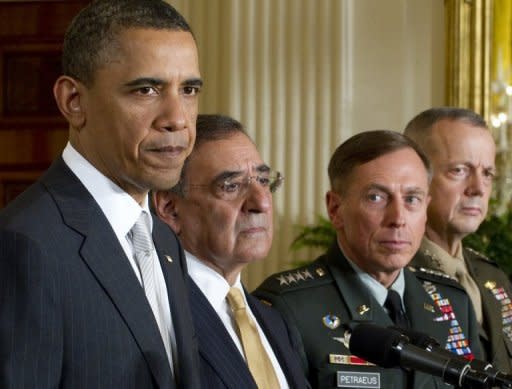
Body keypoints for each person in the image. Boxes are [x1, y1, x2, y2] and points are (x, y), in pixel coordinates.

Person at [0, 1, 203, 388]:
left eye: (189, 89)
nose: (177, 118)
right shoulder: (24, 246)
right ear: (73, 102)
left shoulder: (162, 240)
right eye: (146, 89)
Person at [254, 130, 482, 388]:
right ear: (335, 209)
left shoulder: (453, 301)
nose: (398, 218)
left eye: (412, 199)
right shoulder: (287, 308)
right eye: (376, 197)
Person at [153, 114, 309, 389]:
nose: (261, 202)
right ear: (170, 207)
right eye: (231, 186)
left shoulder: (276, 321)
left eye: (263, 180)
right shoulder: (153, 315)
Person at [404, 107, 512, 373]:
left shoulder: (492, 277)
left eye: (487, 173)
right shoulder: (393, 276)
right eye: (460, 170)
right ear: (415, 176)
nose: (478, 188)